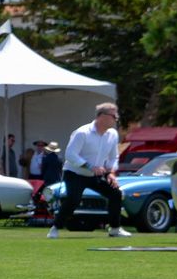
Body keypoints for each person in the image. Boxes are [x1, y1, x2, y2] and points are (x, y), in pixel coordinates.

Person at [50, 102, 130, 238]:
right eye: (113, 116)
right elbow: (70, 154)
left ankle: (115, 229)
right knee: (73, 200)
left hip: (96, 174)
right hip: (75, 173)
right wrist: (89, 166)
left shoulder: (112, 134)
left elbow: (113, 157)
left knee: (115, 194)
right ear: (102, 116)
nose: (116, 119)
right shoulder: (82, 132)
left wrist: (111, 173)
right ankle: (55, 228)